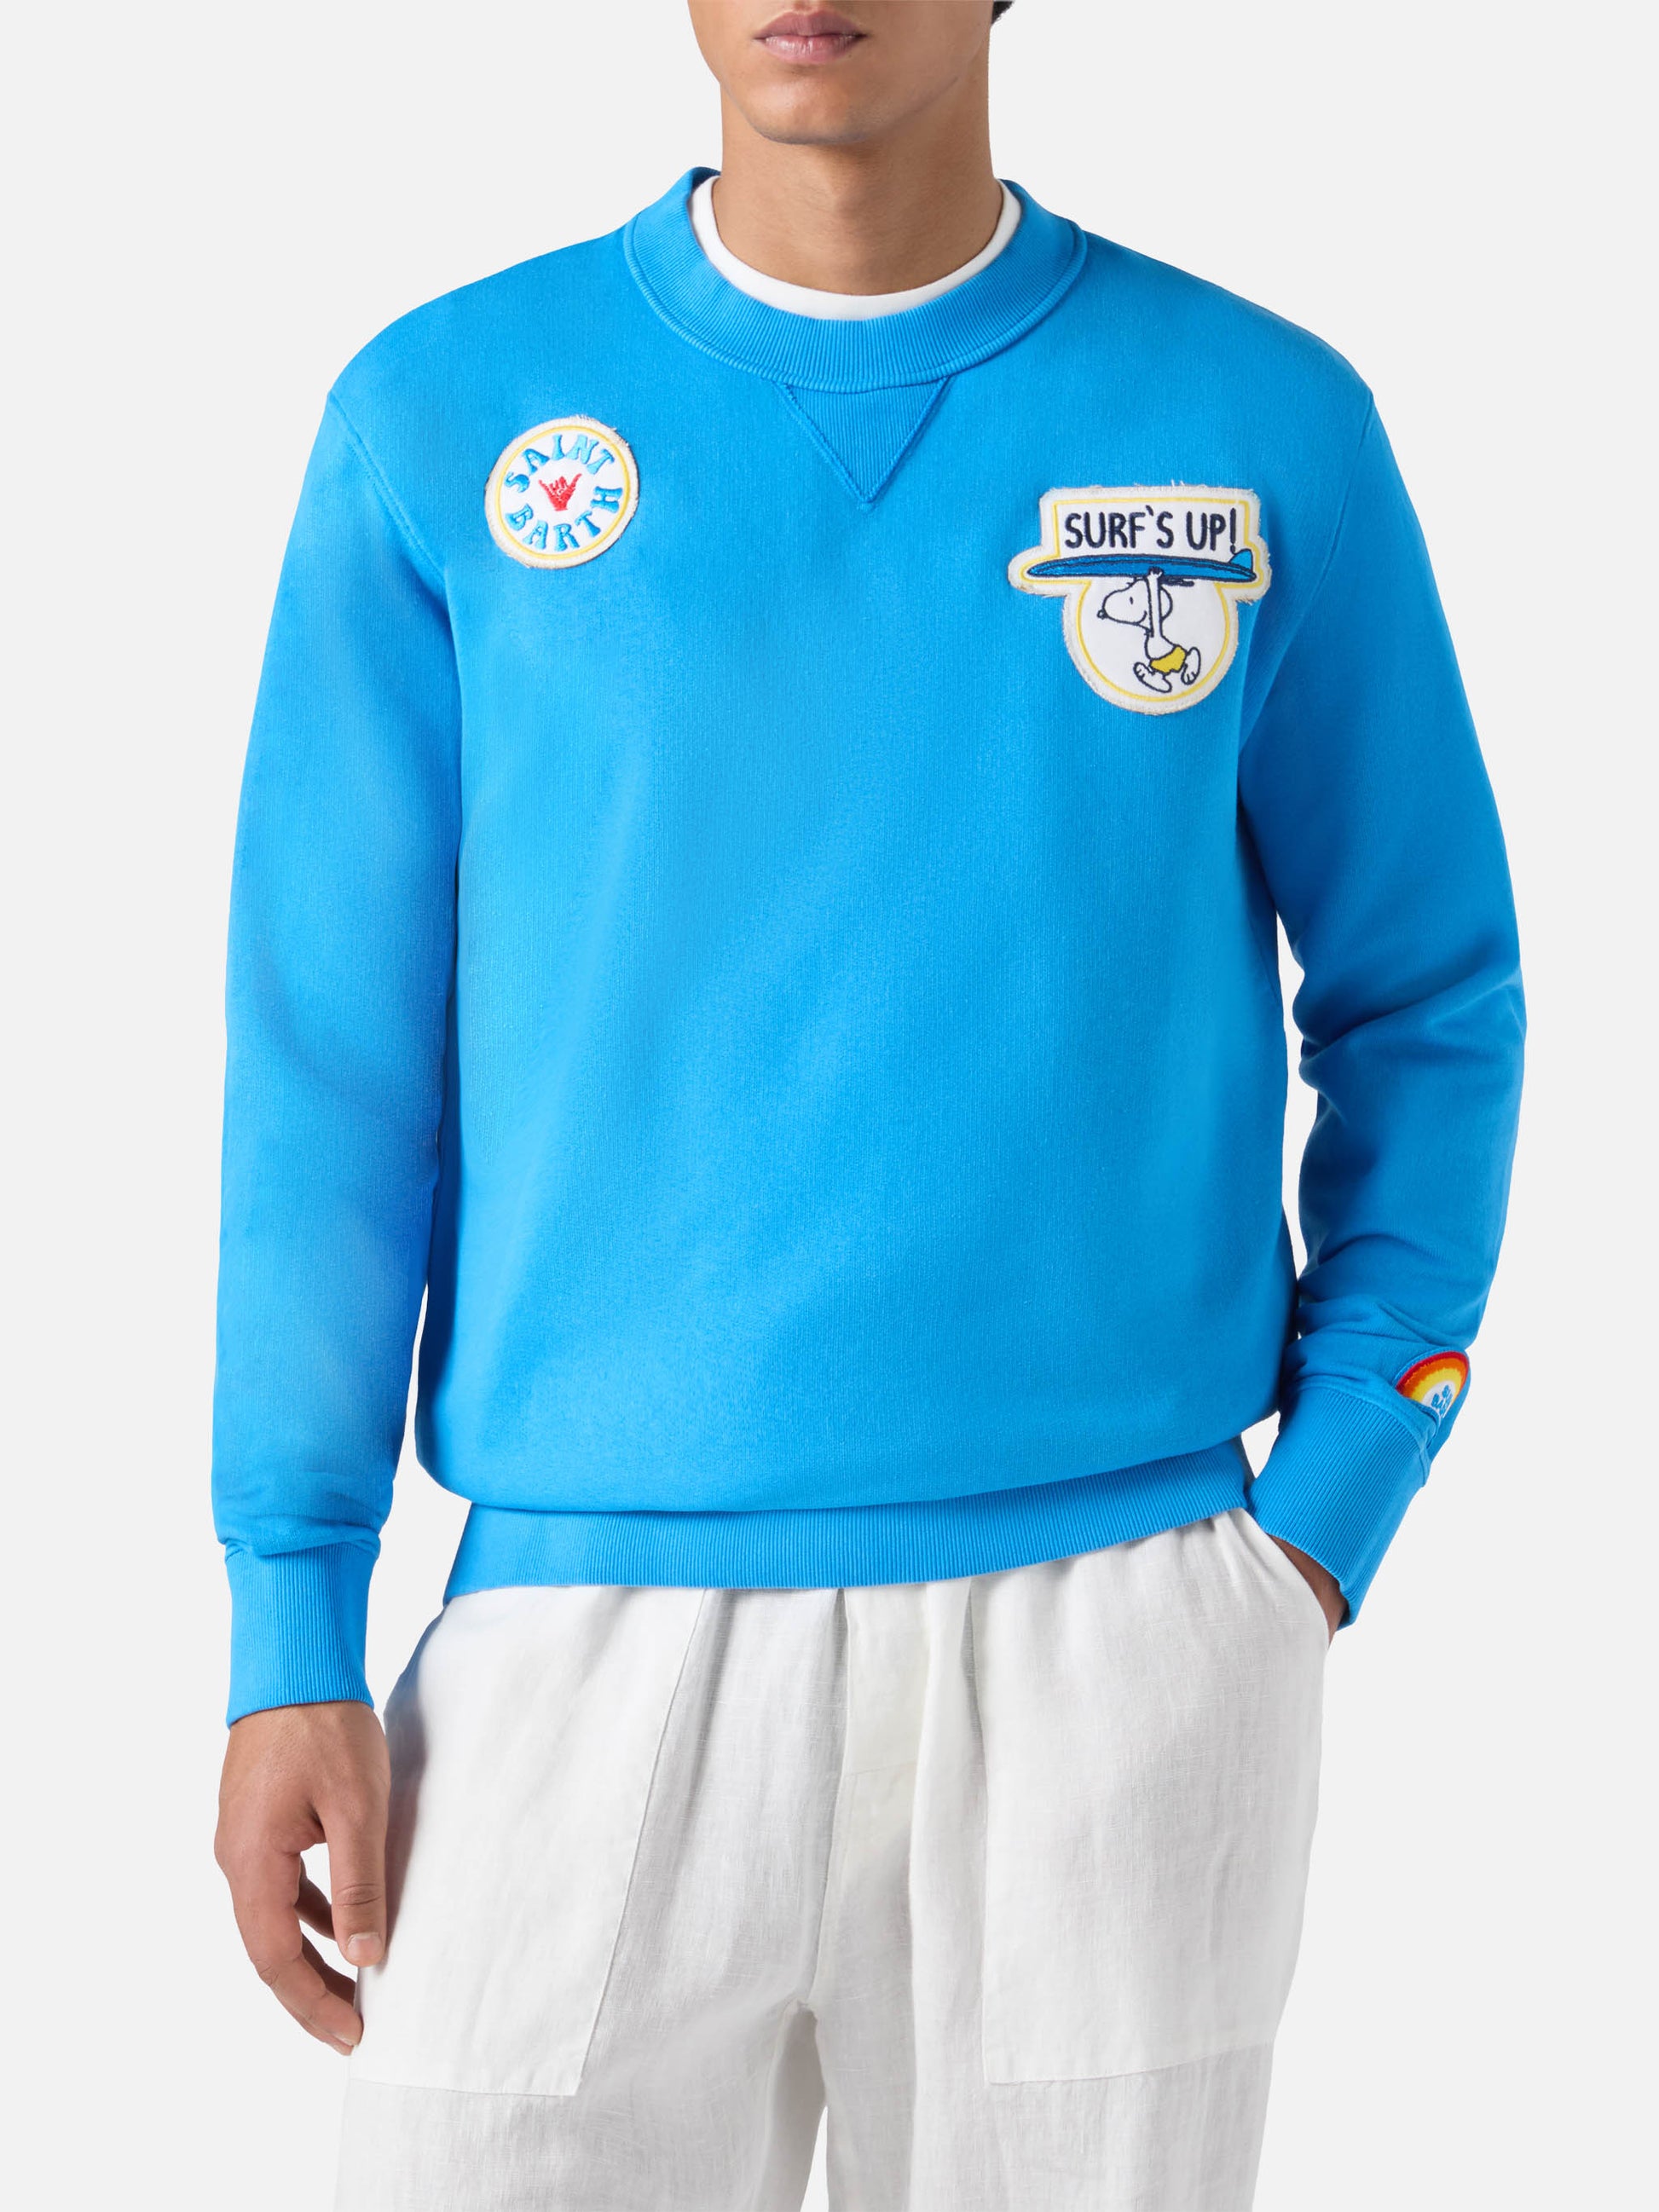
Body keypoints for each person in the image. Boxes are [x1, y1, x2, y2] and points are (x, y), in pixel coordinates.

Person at [211, 5, 1524, 2206]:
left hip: (1122, 1629)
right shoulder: (439, 416)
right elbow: (334, 1074)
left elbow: (1429, 994)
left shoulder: (1260, 421)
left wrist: (1328, 1509)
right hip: (564, 1639)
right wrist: (288, 1626)